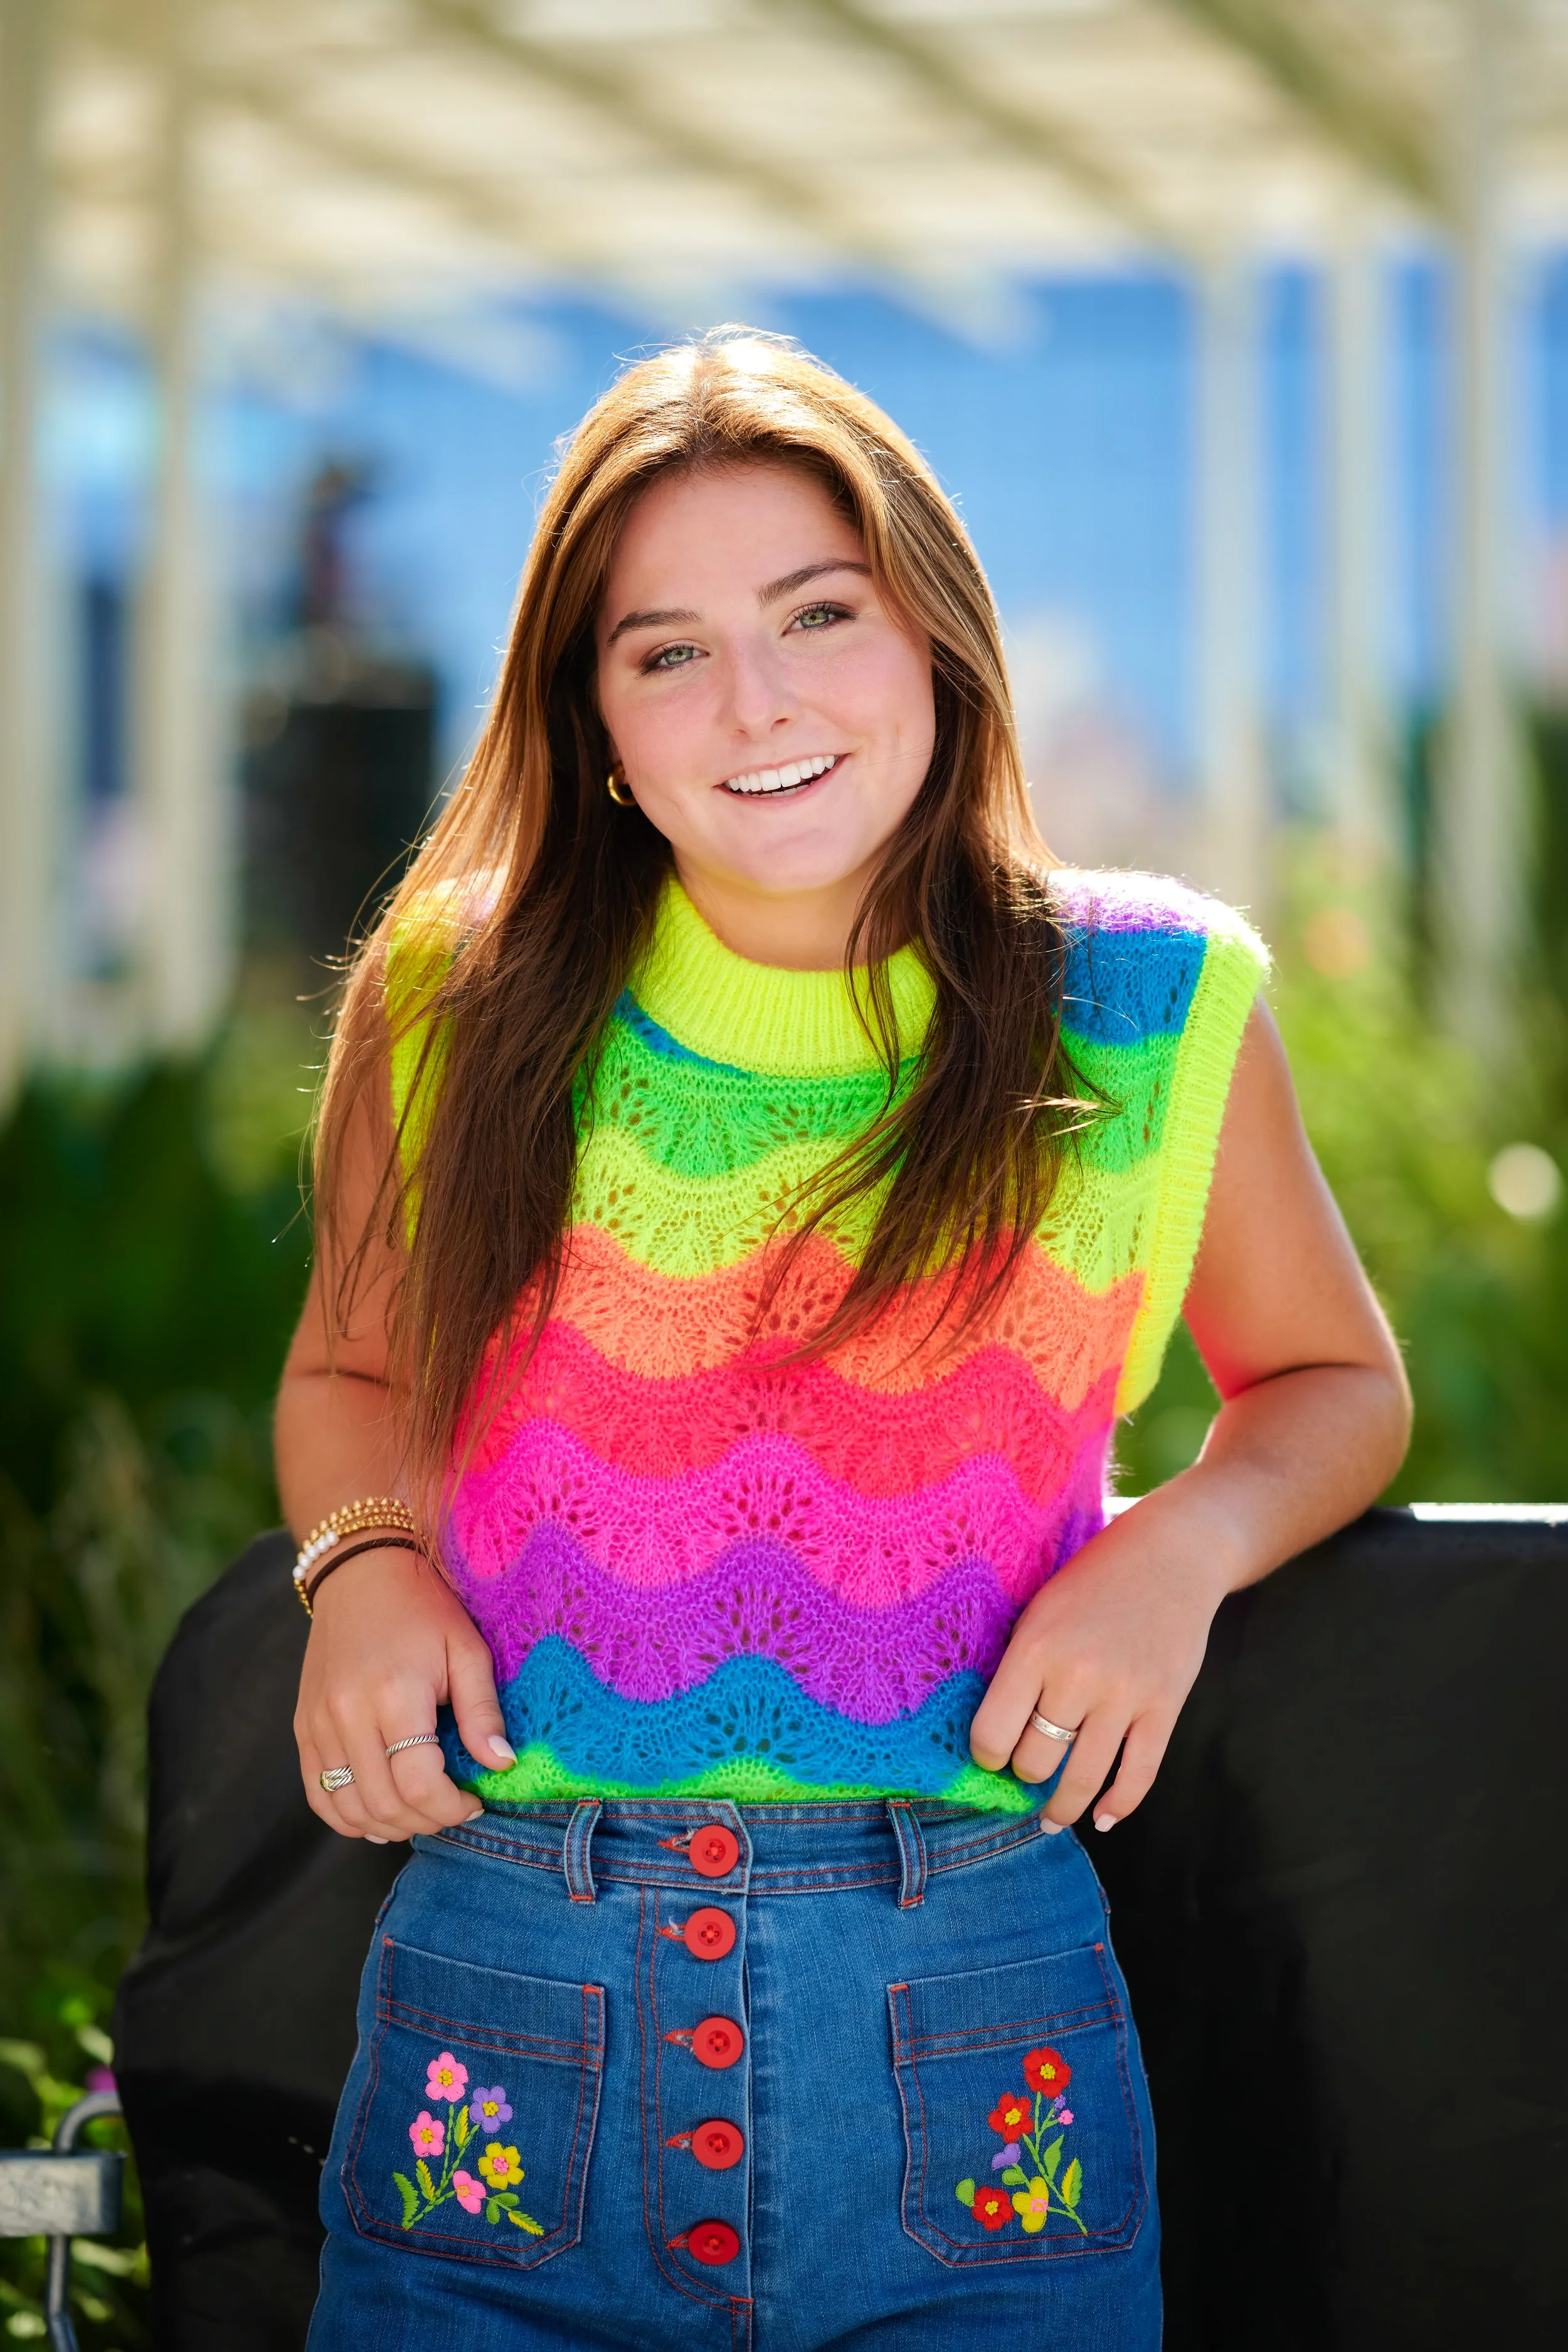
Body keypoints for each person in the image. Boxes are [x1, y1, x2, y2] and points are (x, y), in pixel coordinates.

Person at [277, 329, 1410, 2352]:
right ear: (592, 716)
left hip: (969, 2011)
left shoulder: (1146, 1006)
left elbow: (1336, 1383)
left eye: (820, 613)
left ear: (939, 640)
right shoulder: (453, 1000)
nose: (761, 701)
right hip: (506, 1991)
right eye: (667, 649)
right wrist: (359, 1558)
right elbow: (347, 1373)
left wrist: (1175, 1551)